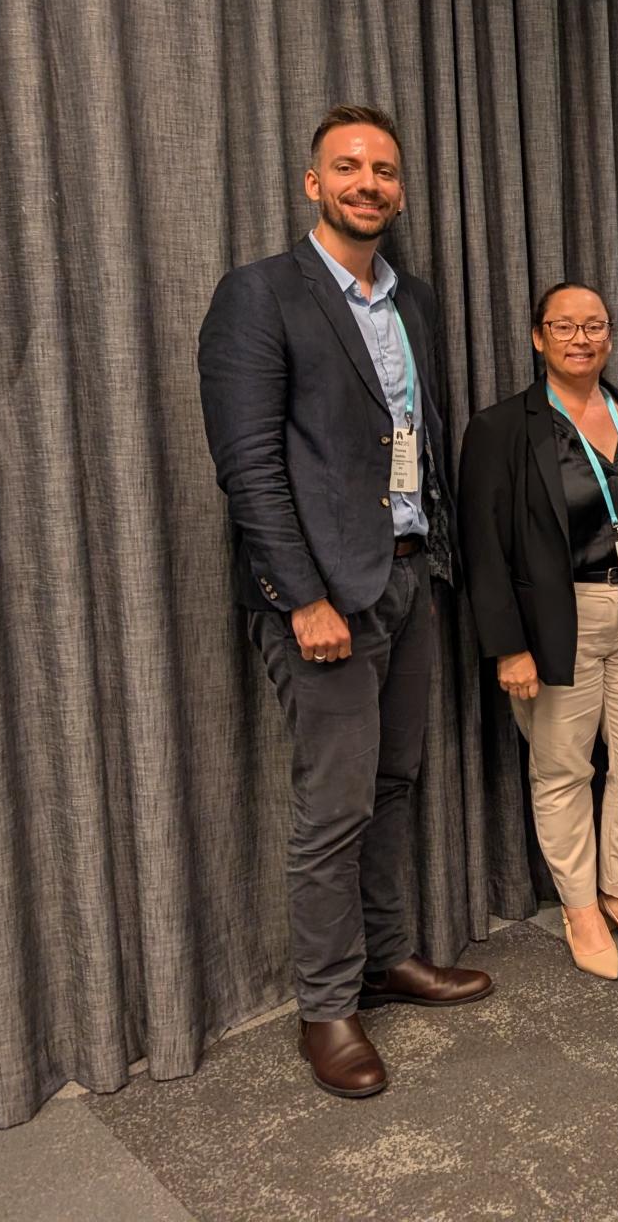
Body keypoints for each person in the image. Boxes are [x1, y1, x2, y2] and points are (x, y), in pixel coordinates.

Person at [197, 104, 491, 1101]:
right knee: (332, 810)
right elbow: (249, 467)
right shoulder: (259, 296)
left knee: (396, 786)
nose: (370, 184)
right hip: (323, 597)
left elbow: (414, 436)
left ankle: (384, 959)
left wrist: (437, 558)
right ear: (313, 184)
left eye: (386, 171)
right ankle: (327, 1010)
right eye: (349, 168)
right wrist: (301, 598)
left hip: (409, 575)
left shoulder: (416, 303)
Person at [458, 283, 618, 978]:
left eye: (595, 326)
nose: (581, 339)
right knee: (563, 767)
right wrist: (509, 646)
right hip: (560, 620)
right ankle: (579, 905)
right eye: (564, 326)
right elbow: (484, 548)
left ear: (611, 336)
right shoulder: (503, 429)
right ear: (538, 338)